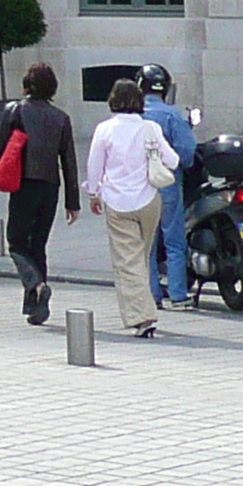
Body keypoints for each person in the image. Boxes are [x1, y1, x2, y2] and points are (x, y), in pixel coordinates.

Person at [0, 62, 80, 326]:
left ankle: (36, 285)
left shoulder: (15, 110)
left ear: (27, 84)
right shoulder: (61, 118)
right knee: (38, 245)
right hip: (50, 187)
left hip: (25, 184)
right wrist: (72, 202)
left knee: (17, 243)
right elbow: (69, 161)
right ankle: (36, 307)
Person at [86, 77, 181, 337]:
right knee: (141, 257)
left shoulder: (105, 129)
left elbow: (95, 167)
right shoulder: (150, 128)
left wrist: (93, 193)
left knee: (128, 262)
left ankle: (143, 317)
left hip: (117, 202)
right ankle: (146, 309)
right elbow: (173, 160)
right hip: (149, 200)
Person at [138, 64, 198, 308]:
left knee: (148, 243)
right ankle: (178, 295)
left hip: (141, 187)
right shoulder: (172, 115)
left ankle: (152, 295)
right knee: (174, 240)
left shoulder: (133, 115)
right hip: (169, 184)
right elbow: (187, 152)